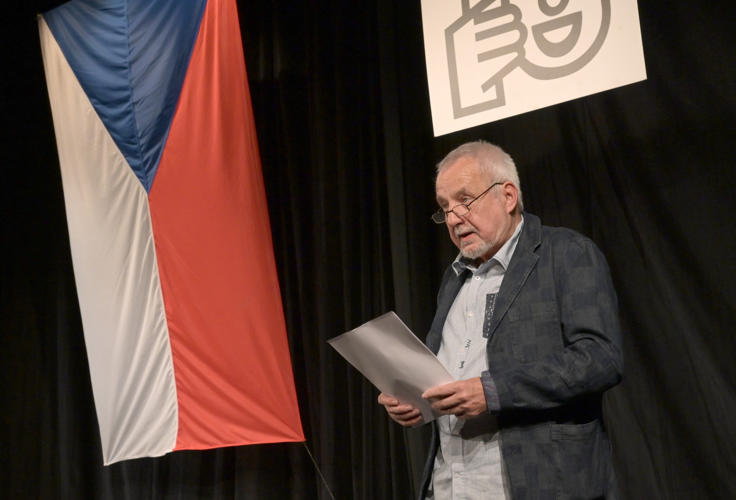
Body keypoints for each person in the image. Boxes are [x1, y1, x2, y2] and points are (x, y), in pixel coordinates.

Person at [378, 141, 623, 499]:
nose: (453, 218)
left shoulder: (566, 254)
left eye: (465, 200)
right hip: (449, 487)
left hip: (538, 485)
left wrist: (493, 392)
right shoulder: (454, 279)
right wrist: (416, 398)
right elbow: (450, 375)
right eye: (445, 208)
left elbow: (600, 358)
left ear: (508, 196)